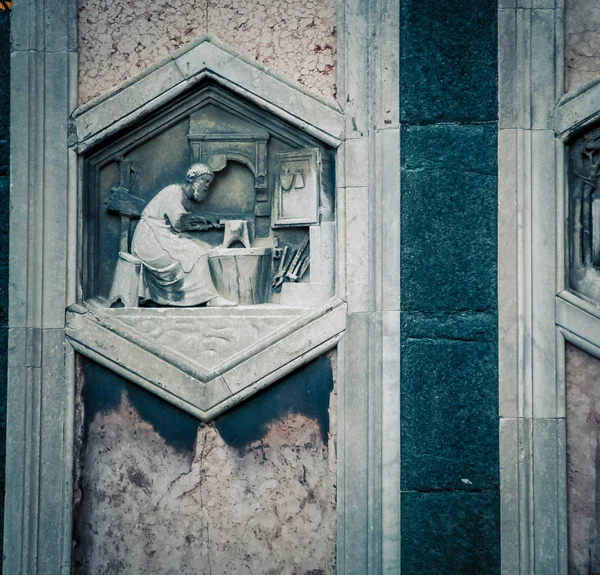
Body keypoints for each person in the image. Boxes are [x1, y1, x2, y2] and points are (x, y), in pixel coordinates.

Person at [131, 163, 236, 307]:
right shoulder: (174, 191)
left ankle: (207, 294)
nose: (207, 186)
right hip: (150, 240)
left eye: (209, 183)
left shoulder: (186, 199)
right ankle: (210, 298)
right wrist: (202, 222)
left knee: (206, 248)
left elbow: (180, 224)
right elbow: (179, 223)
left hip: (162, 235)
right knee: (197, 253)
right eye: (204, 181)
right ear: (193, 179)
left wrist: (204, 225)